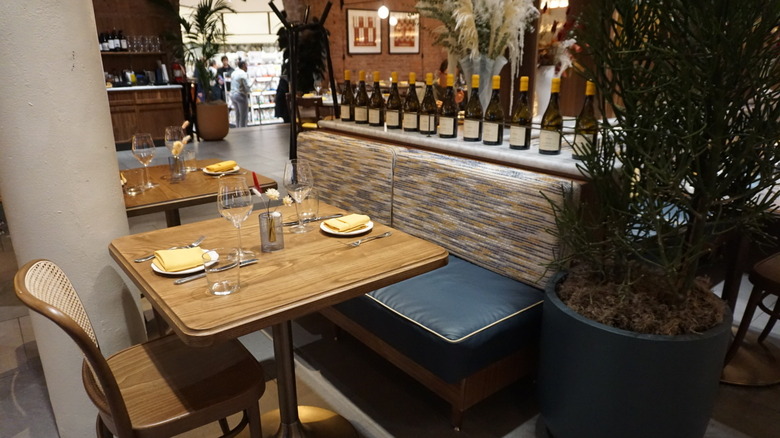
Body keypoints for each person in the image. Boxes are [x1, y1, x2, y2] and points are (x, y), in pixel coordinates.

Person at [230, 60, 253, 128]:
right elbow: (247, 85)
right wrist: (252, 82)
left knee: (238, 115)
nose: (247, 67)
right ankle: (243, 130)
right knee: (243, 116)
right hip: (240, 95)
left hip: (233, 95)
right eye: (246, 65)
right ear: (243, 65)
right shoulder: (243, 74)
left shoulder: (234, 73)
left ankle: (238, 129)